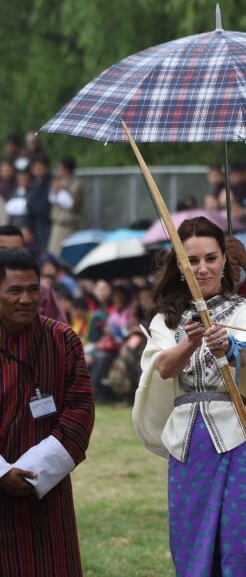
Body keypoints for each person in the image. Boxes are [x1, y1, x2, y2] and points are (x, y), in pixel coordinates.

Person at [132, 216, 246, 576]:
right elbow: (163, 367)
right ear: (179, 265)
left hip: (236, 438)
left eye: (211, 258)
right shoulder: (166, 320)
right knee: (193, 544)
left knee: (243, 536)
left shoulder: (245, 309)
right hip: (188, 445)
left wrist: (230, 344)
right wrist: (189, 341)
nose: (202, 269)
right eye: (192, 261)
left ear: (224, 261)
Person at [0, 248, 94, 575]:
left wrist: (36, 468)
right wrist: (2, 473)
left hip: (45, 488)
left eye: (33, 290)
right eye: (14, 290)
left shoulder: (63, 340)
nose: (26, 299)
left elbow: (80, 411)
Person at [0, 225, 67, 322]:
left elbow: (60, 331)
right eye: (3, 250)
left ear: (25, 252)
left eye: (15, 250)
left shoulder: (43, 291)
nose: (9, 255)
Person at [47, 157, 85, 256]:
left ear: (66, 169)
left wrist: (60, 190)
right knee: (53, 253)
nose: (58, 171)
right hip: (57, 224)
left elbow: (70, 204)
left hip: (68, 225)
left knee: (65, 254)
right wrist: (55, 190)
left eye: (60, 168)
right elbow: (52, 198)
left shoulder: (76, 183)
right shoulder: (58, 181)